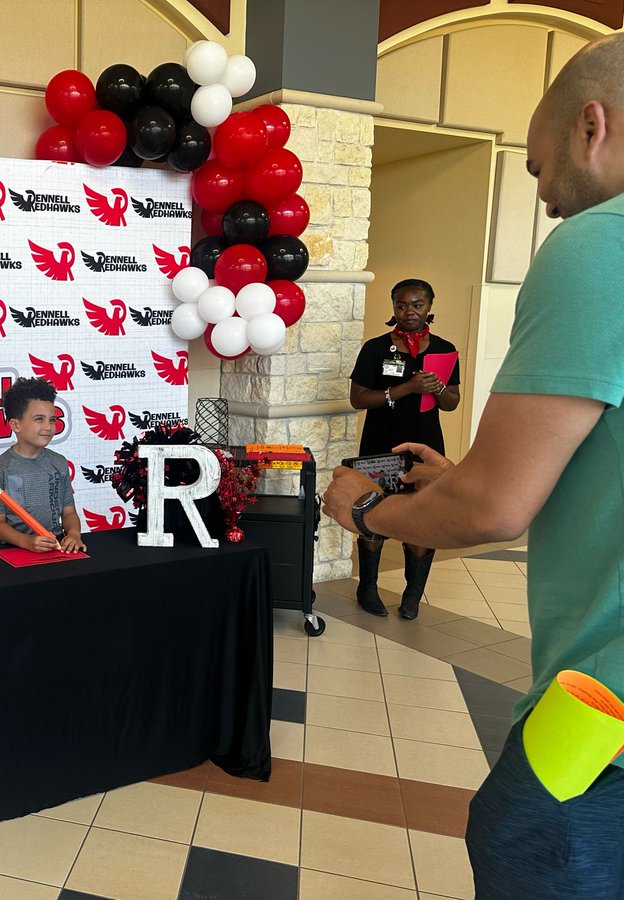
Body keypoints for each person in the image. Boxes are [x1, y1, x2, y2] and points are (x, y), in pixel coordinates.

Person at [323, 32, 624, 898]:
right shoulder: (382, 347)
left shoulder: (600, 245)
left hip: (602, 709)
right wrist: (456, 477)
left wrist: (364, 513)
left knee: (522, 839)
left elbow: (497, 510)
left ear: (589, 127)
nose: (547, 199)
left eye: (534, 171)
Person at [347, 279, 460, 619]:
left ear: (429, 307)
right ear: (393, 306)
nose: (409, 311)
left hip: (425, 448)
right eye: (401, 305)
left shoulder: (444, 349)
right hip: (380, 444)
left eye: (417, 304)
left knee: (423, 518)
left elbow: (451, 403)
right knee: (373, 513)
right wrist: (406, 387)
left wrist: (438, 388)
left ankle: (413, 594)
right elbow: (357, 399)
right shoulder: (376, 348)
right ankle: (367, 588)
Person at [0, 377, 85, 553]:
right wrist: (27, 541)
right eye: (39, 419)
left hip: (55, 548)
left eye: (52, 420)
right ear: (15, 424)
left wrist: (74, 534)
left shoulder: (59, 463)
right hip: (14, 549)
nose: (48, 427)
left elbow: (69, 513)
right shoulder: (0, 467)